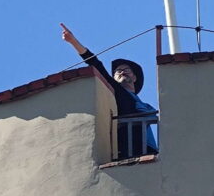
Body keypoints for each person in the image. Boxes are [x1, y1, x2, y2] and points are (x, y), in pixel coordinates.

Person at [60, 25, 158, 158]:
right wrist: (73, 42)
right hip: (127, 150)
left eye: (126, 70)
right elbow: (95, 63)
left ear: (134, 77)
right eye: (118, 71)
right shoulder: (117, 93)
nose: (122, 72)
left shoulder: (144, 106)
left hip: (148, 150)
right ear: (114, 79)